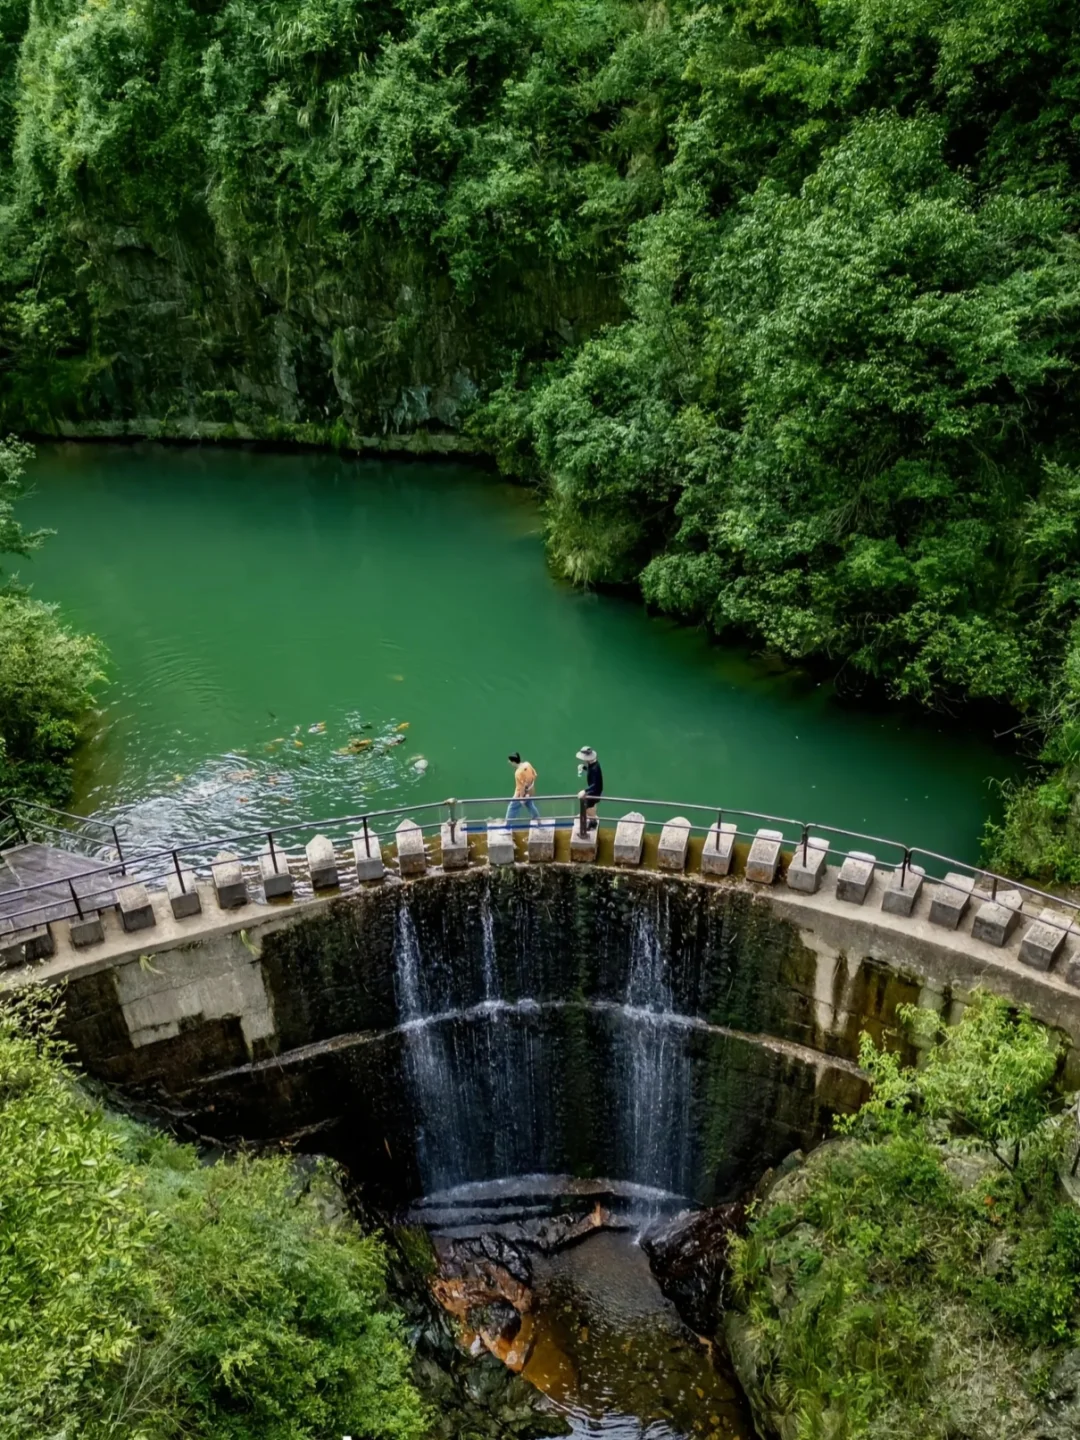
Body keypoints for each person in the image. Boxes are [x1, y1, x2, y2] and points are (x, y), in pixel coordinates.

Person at [505, 752, 541, 828]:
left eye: (510, 761)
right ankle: (538, 821)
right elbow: (535, 775)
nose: (509, 763)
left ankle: (507, 827)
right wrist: (529, 791)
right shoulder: (527, 764)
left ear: (514, 762)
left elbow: (522, 787)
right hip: (531, 790)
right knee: (530, 805)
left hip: (521, 794)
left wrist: (522, 798)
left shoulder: (518, 773)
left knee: (512, 808)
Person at [576, 746, 603, 829]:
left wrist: (585, 791)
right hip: (594, 789)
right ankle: (592, 818)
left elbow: (596, 784)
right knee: (591, 804)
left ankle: (593, 820)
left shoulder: (595, 768)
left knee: (586, 805)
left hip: (595, 790)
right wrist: (584, 768)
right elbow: (590, 771)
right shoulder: (593, 765)